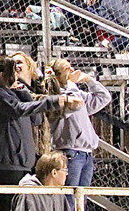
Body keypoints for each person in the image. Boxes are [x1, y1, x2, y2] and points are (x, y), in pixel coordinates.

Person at [0, 55, 75, 211]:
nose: (16, 76)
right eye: (12, 72)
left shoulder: (12, 94)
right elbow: (19, 109)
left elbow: (36, 119)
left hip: (22, 162)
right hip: (6, 164)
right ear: (1, 75)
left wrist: (23, 90)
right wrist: (56, 101)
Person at [44, 58, 112, 187]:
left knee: (81, 200)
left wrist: (89, 80)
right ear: (56, 75)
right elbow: (74, 104)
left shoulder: (76, 93)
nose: (72, 71)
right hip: (70, 152)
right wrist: (71, 82)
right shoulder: (56, 96)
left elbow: (104, 97)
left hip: (86, 153)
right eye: (66, 69)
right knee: (70, 198)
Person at [9, 151, 74, 211]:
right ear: (54, 172)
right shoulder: (28, 194)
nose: (67, 174)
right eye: (65, 170)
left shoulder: (61, 195)